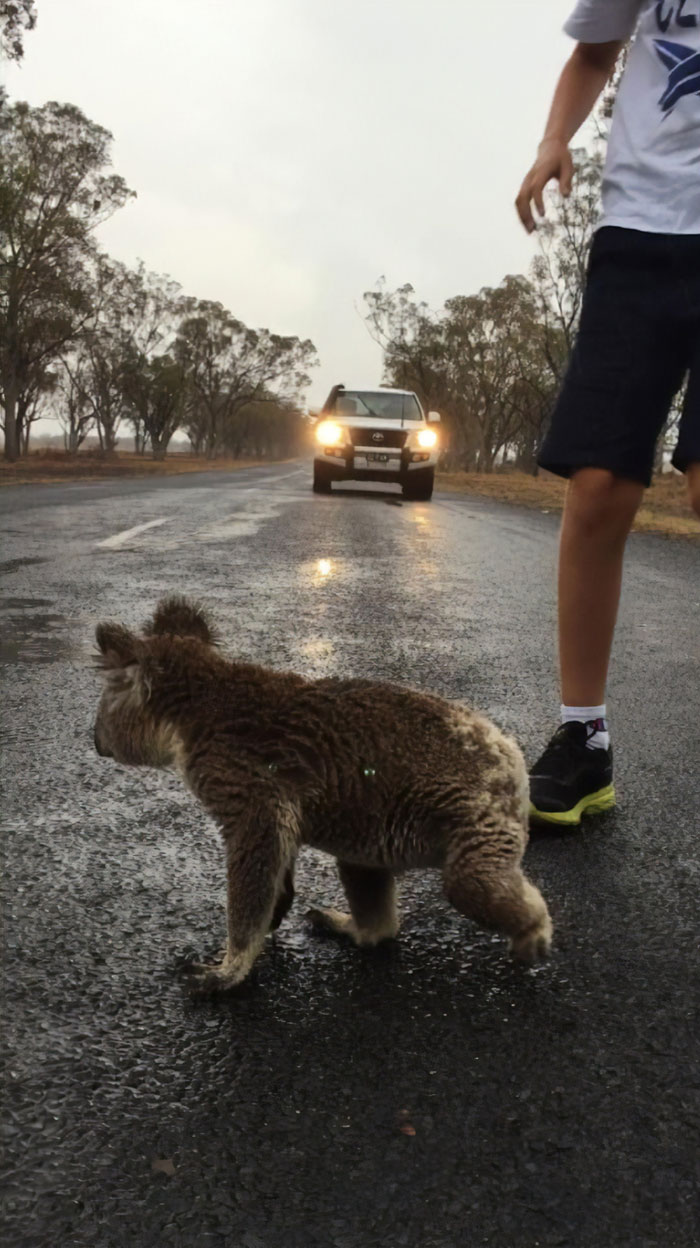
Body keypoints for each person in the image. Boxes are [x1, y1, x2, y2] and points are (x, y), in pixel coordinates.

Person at [515, 0, 700, 827]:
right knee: (598, 484)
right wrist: (554, 141)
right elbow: (594, 54)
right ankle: (582, 740)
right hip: (636, 232)